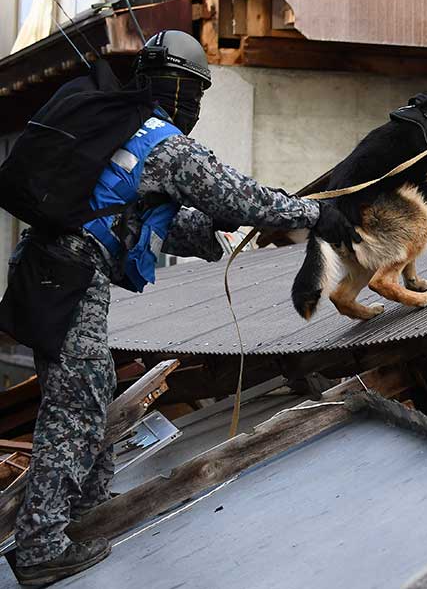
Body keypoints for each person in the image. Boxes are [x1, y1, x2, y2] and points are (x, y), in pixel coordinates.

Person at [0, 30, 357, 586]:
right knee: (78, 407)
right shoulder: (162, 140)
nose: (194, 106)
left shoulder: (124, 132)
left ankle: (84, 511)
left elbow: (143, 221)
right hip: (68, 276)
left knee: (86, 393)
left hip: (51, 270)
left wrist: (216, 229)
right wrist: (309, 214)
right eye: (194, 93)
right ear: (181, 88)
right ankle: (42, 545)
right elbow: (236, 195)